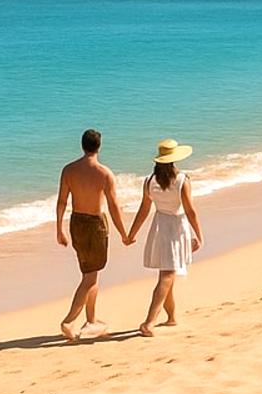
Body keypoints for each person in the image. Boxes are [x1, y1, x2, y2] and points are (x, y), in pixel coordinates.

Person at [122, 138, 203, 337]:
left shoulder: (150, 181)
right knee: (167, 275)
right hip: (176, 227)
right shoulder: (183, 180)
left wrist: (132, 233)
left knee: (166, 276)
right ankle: (149, 322)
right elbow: (190, 211)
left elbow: (144, 209)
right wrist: (199, 235)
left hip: (159, 226)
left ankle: (172, 317)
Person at [55, 129, 129, 342]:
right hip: (96, 224)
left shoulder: (68, 170)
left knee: (90, 273)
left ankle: (91, 319)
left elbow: (61, 202)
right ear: (99, 146)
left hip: (76, 223)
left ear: (82, 145)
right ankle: (69, 321)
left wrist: (59, 229)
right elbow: (114, 207)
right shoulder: (104, 173)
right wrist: (124, 233)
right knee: (90, 277)